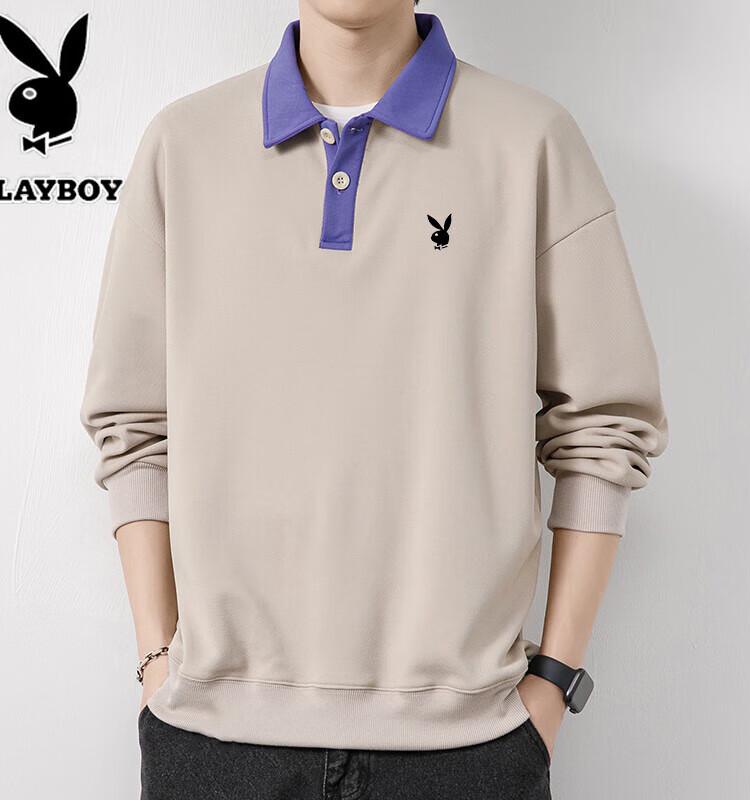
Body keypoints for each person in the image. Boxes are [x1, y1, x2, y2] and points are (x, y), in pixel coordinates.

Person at [79, 1, 668, 798]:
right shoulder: (183, 145)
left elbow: (605, 423)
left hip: (469, 747)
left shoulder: (532, 142)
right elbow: (134, 423)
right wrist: (158, 660)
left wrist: (555, 682)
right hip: (212, 743)